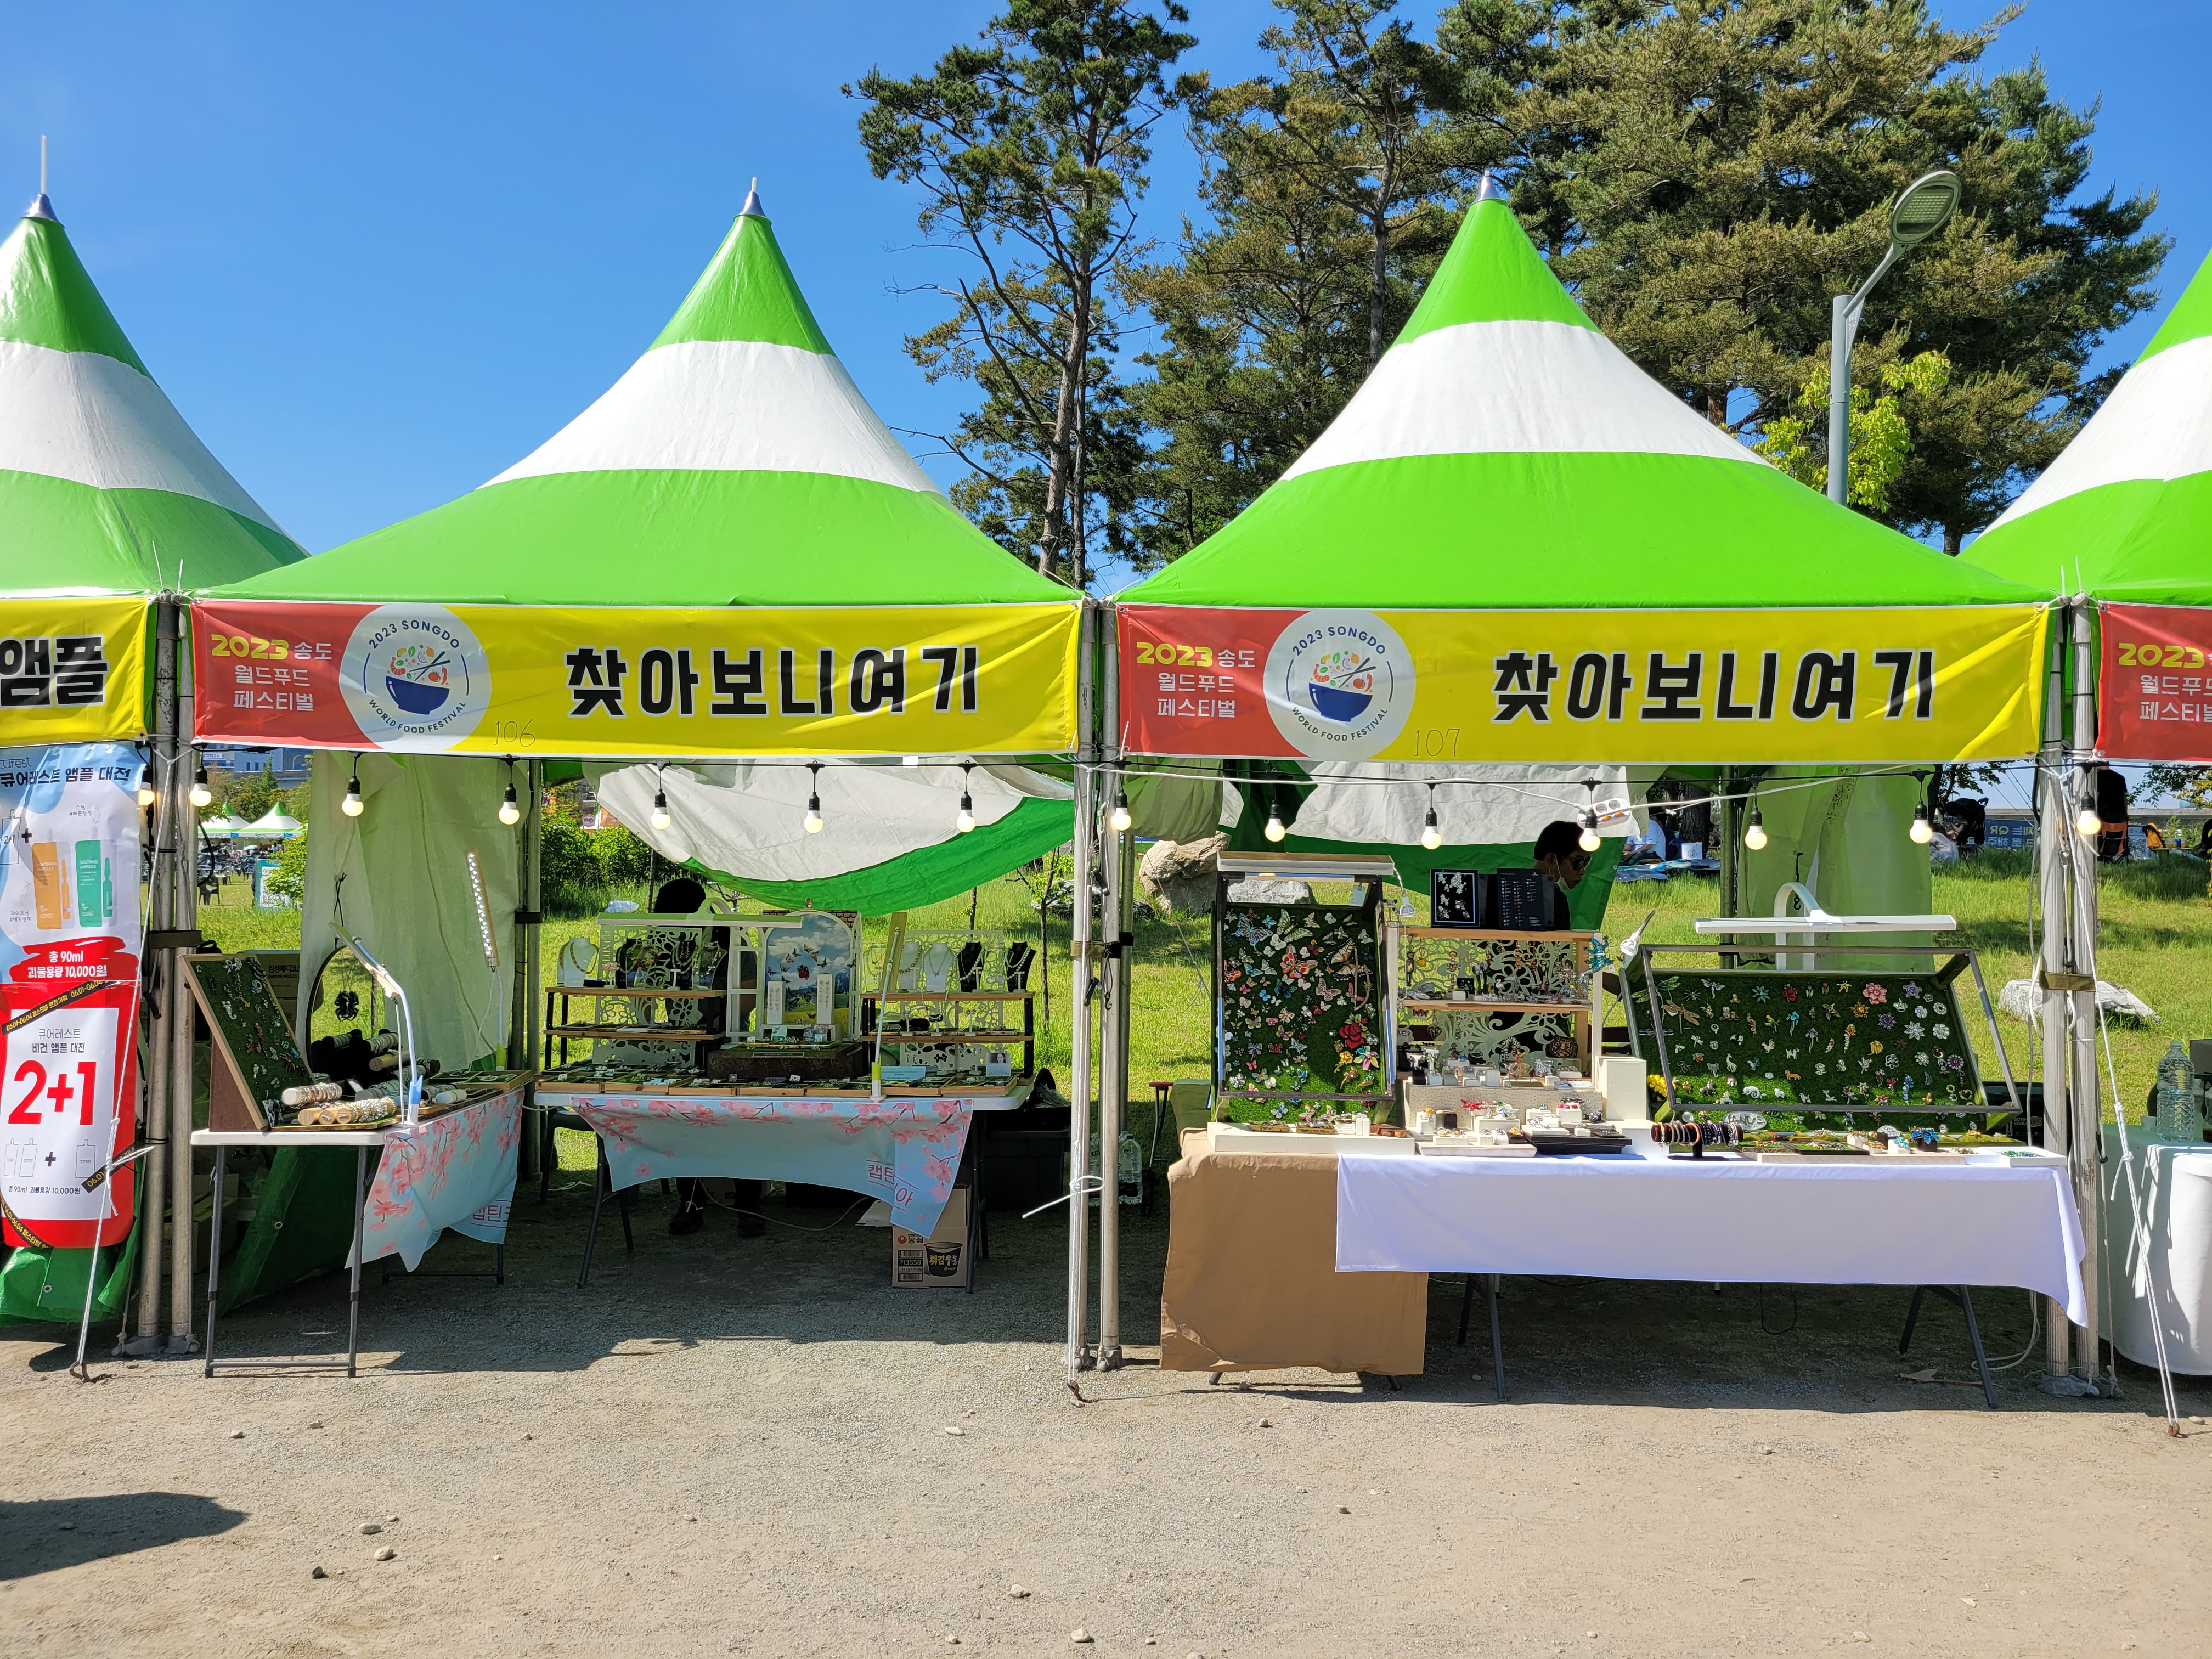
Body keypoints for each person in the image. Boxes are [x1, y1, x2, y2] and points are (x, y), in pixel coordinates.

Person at [646, 879, 764, 1240]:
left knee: (738, 1123)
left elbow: (751, 991)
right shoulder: (664, 942)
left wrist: (719, 1017)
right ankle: (691, 1202)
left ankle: (748, 1204)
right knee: (685, 1123)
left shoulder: (732, 938)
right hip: (682, 1046)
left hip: (729, 1044)